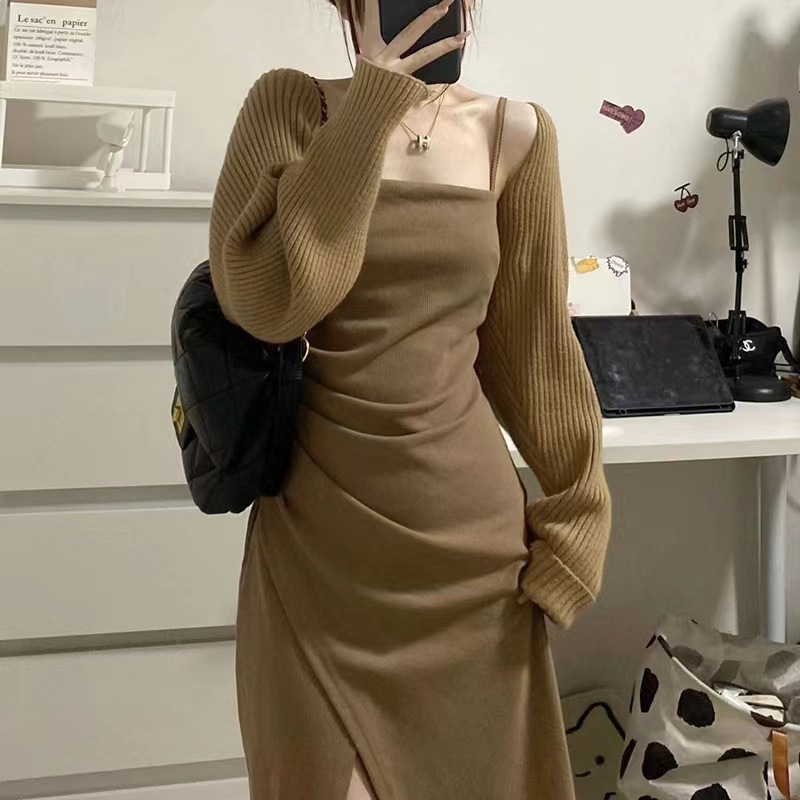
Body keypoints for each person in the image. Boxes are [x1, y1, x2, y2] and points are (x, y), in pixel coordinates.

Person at [209, 0, 612, 797]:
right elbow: (272, 303)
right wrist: (369, 110)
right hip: (315, 548)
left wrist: (578, 515)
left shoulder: (516, 134)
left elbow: (534, 351)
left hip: (469, 561)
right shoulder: (288, 109)